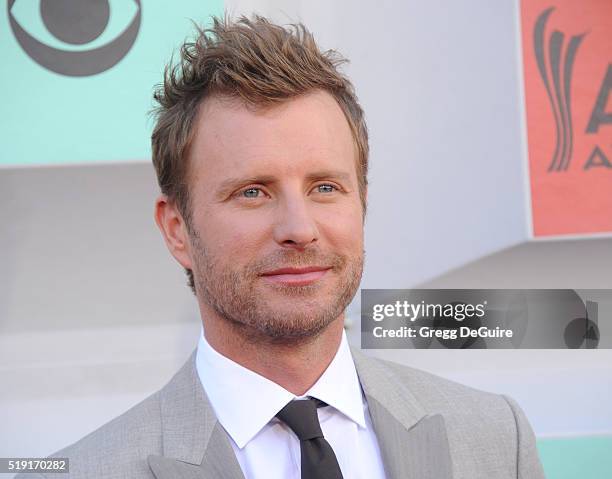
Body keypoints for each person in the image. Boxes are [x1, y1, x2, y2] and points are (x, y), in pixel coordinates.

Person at [18, 15, 545, 479]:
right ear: (176, 228)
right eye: (253, 192)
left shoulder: (497, 439)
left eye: (325, 188)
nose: (299, 227)